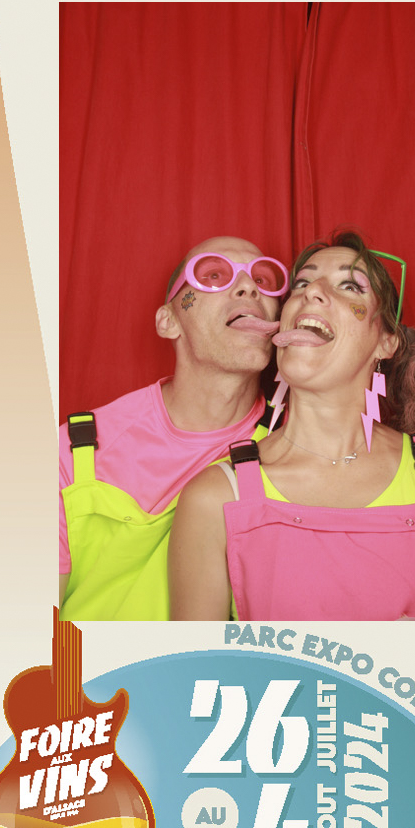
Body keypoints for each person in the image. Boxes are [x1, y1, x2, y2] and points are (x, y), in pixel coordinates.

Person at [169, 232, 415, 620]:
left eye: (350, 286)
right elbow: (199, 660)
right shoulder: (215, 498)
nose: (311, 292)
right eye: (302, 283)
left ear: (386, 342)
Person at [58, 237, 287, 621]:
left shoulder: (294, 444)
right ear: (168, 322)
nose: (249, 287)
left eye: (263, 280)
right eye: (213, 275)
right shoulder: (77, 449)